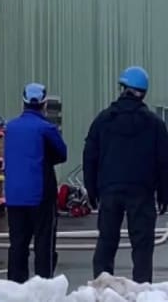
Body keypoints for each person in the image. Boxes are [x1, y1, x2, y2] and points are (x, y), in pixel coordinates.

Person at [83, 66, 168, 283]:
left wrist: (91, 190)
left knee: (106, 242)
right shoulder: (155, 124)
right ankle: (142, 291)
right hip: (142, 192)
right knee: (142, 246)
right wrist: (164, 195)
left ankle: (102, 289)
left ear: (123, 88)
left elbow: (90, 156)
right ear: (144, 92)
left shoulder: (103, 120)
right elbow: (164, 162)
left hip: (110, 190)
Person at [4, 82, 67, 283]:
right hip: (40, 195)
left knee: (17, 245)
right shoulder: (46, 128)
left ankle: (14, 287)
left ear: (23, 103)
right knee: (44, 244)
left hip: (14, 196)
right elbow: (62, 153)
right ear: (44, 104)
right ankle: (43, 286)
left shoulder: (10, 128)